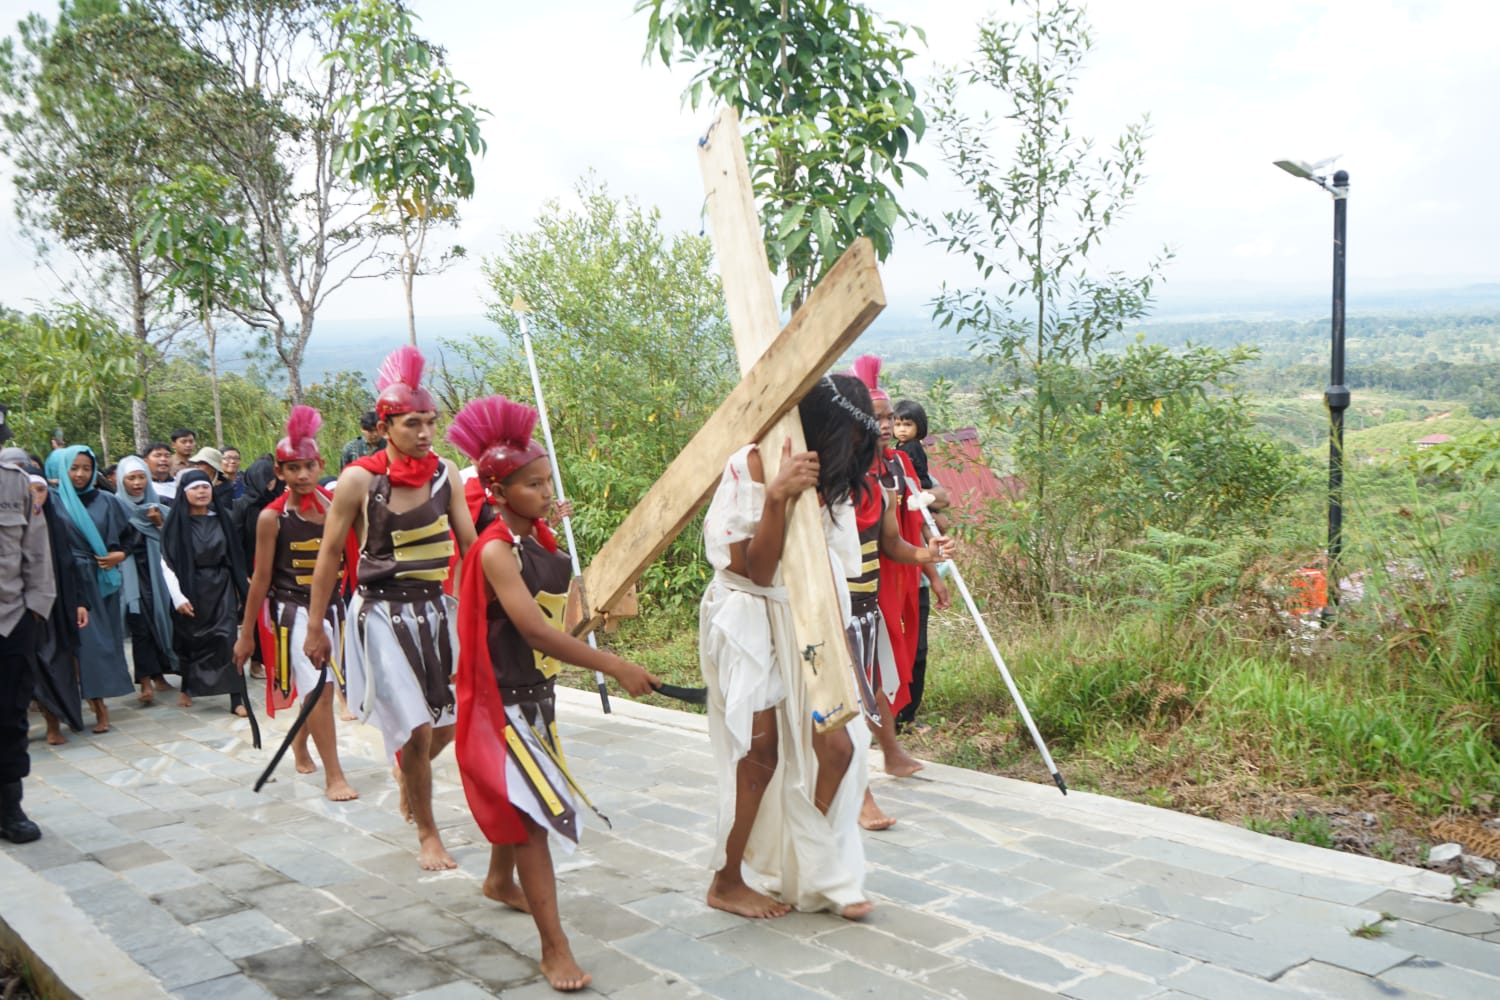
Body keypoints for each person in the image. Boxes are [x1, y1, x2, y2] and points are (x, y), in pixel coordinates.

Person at [448, 395, 658, 992]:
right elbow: (535, 630)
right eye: (533, 485)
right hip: (503, 704)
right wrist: (615, 666)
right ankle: (554, 947)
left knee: (520, 804)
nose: (546, 493)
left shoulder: (537, 543)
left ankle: (497, 880)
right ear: (497, 491)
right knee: (535, 817)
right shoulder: (493, 551)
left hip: (536, 696)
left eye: (546, 482)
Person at [304, 346, 478, 870]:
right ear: (384, 426)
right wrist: (316, 627)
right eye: (411, 423)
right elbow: (331, 553)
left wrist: (496, 602)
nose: (424, 433)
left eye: (430, 422)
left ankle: (409, 774)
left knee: (447, 724)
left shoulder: (446, 473)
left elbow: (470, 545)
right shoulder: (359, 480)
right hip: (380, 614)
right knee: (418, 728)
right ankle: (429, 833)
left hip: (435, 610)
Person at [848, 356, 955, 826]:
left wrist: (929, 559)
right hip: (832, 605)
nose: (888, 426)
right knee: (844, 697)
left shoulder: (884, 479)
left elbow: (892, 542)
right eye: (880, 418)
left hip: (869, 599)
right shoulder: (832, 480)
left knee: (873, 682)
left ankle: (889, 753)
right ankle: (858, 794)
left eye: (892, 418)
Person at [233, 407, 358, 801]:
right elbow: (262, 579)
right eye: (293, 468)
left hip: (335, 608)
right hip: (293, 613)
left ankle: (301, 743)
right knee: (319, 689)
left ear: (320, 464)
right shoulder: (271, 519)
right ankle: (334, 776)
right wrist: (246, 635)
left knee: (320, 686)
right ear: (280, 473)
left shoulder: (337, 506)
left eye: (309, 466)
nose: (303, 475)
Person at [43, 446, 135, 733]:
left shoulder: (106, 500)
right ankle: (57, 715)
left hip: (100, 582)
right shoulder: (52, 501)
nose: (80, 474)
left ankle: (99, 707)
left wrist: (119, 555)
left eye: (86, 467)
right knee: (65, 650)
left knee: (98, 647)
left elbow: (130, 534)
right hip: (65, 582)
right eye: (74, 468)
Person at [5, 449, 87, 746]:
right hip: (17, 610)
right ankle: (46, 722)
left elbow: (72, 565)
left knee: (59, 664)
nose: (35, 495)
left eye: (40, 489)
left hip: (52, 609)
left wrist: (79, 602)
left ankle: (62, 720)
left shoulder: (58, 522)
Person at [0, 439, 55, 844]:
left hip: (9, 621)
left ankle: (9, 807)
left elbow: (36, 551)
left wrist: (34, 611)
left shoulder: (15, 485)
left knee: (9, 716)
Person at [160, 470, 250, 716]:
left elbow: (236, 556)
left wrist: (242, 586)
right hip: (192, 586)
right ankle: (188, 685)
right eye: (195, 488)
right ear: (184, 493)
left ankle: (236, 698)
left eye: (205, 487)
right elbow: (166, 562)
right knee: (193, 639)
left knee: (227, 640)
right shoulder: (175, 524)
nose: (201, 492)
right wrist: (178, 596)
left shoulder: (224, 519)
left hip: (221, 586)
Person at [890, 399, 950, 733]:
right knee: (892, 646)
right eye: (893, 422)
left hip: (918, 573)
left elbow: (940, 500)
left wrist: (932, 512)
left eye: (903, 423)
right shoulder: (879, 465)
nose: (897, 429)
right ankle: (888, 716)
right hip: (888, 574)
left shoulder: (910, 456)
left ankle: (907, 714)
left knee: (916, 648)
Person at [114, 456, 177, 704]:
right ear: (122, 480)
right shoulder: (115, 505)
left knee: (162, 621)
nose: (138, 483)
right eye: (132, 478)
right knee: (140, 624)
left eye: (141, 477)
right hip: (130, 574)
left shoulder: (157, 504)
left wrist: (159, 523)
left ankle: (161, 673)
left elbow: (173, 539)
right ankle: (145, 681)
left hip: (157, 572)